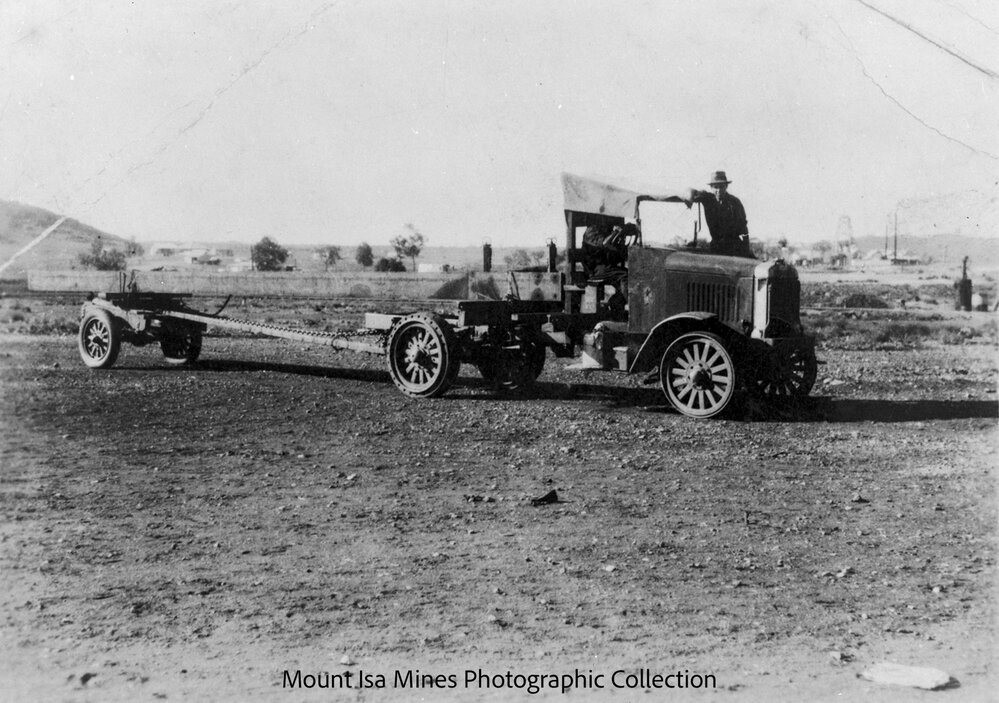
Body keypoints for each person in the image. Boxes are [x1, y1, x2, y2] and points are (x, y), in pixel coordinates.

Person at [688, 171, 752, 257]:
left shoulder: (735, 203)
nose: (718, 190)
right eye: (715, 187)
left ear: (726, 186)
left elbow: (744, 228)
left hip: (734, 247)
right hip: (716, 247)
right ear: (711, 187)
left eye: (721, 187)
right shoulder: (708, 199)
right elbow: (691, 194)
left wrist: (746, 250)